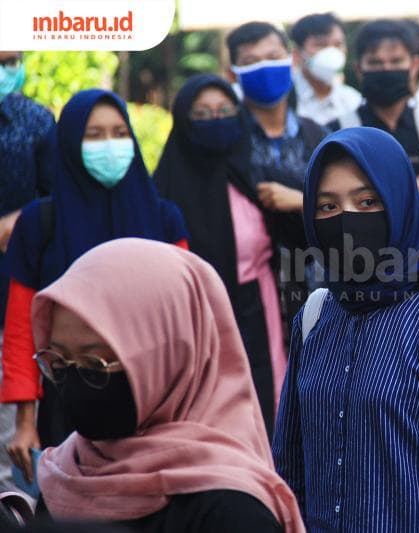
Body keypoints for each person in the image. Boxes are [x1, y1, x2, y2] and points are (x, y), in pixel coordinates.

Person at [273, 127, 419, 531]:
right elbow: (290, 474)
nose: (346, 219)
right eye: (327, 206)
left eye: (367, 201)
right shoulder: (313, 318)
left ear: (399, 202)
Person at [29, 238, 303, 532]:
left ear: (169, 359)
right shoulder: (66, 478)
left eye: (95, 365)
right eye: (58, 362)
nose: (72, 383)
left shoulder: (231, 510)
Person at [1, 89, 188, 488]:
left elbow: (185, 322)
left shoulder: (165, 218)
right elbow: (22, 328)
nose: (110, 146)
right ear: (69, 143)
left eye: (120, 133)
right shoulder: (39, 222)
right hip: (66, 403)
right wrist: (24, 422)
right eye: (94, 135)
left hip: (152, 404)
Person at [154, 74, 287, 436]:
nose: (215, 119)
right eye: (202, 113)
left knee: (268, 406)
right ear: (183, 120)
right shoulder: (164, 191)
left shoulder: (257, 177)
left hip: (259, 307)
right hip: (198, 313)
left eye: (224, 110)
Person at [327, 19, 419, 246]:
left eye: (396, 61)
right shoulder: (336, 131)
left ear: (414, 65)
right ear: (359, 69)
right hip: (359, 262)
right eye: (375, 62)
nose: (386, 69)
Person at [226, 21, 327, 318]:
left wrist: (301, 201)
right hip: (248, 297)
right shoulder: (227, 141)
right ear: (232, 73)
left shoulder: (319, 136)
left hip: (319, 291)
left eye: (273, 57)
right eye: (250, 62)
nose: (264, 68)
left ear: (292, 59)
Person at [0, 51, 54, 484]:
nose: (5, 70)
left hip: (11, 301)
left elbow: (61, 196)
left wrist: (24, 219)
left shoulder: (35, 121)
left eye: (11, 60)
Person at [290, 12, 362, 126]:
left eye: (338, 44)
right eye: (321, 45)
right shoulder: (285, 99)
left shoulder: (352, 100)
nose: (331, 52)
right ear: (297, 54)